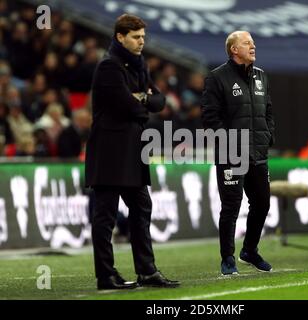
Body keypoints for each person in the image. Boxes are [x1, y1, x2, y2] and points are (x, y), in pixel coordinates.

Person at [85, 14, 180, 290]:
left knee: (141, 207)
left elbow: (159, 101)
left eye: (143, 37)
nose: (142, 42)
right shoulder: (109, 67)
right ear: (120, 37)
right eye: (136, 37)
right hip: (110, 149)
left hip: (133, 148)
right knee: (106, 214)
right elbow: (129, 107)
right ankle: (105, 274)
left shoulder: (139, 65)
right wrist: (142, 100)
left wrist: (143, 98)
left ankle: (147, 271)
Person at [201, 31, 275, 275]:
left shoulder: (261, 76)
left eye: (253, 42)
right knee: (231, 206)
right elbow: (210, 117)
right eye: (247, 43)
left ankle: (249, 251)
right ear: (234, 49)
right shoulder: (217, 78)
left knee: (262, 203)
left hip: (258, 153)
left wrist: (267, 138)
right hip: (232, 154)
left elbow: (269, 112)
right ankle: (227, 258)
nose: (253, 46)